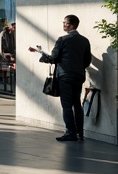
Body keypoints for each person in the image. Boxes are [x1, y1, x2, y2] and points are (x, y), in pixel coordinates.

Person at [34, 14, 93, 142]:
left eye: (65, 23)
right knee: (77, 103)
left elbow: (53, 58)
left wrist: (41, 54)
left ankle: (70, 132)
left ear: (70, 25)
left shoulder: (62, 40)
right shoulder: (84, 41)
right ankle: (80, 133)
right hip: (79, 75)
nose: (63, 25)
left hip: (65, 75)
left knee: (66, 105)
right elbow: (87, 61)